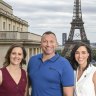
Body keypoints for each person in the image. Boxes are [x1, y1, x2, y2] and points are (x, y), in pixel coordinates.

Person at [27, 31, 74, 96]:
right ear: (40, 44)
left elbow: (68, 94)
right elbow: (26, 85)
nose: (48, 44)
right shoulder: (32, 60)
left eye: (52, 41)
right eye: (45, 41)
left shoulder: (65, 64)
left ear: (56, 44)